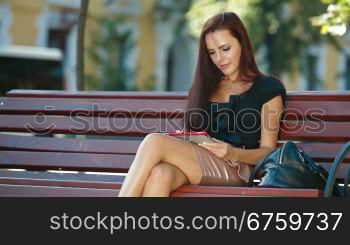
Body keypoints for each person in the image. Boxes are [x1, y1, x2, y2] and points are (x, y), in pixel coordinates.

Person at [118, 12, 286, 197]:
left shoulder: (268, 88)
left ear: (242, 44)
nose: (219, 59)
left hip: (237, 169)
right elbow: (194, 133)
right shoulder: (206, 86)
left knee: (154, 141)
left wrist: (233, 153)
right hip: (199, 162)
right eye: (212, 53)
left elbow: (268, 151)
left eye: (225, 48)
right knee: (160, 174)